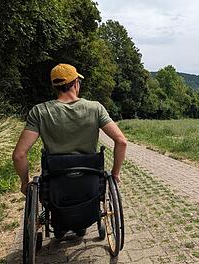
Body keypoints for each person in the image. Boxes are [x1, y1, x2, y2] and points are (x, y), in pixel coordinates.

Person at [12, 63, 127, 196]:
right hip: (90, 178)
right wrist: (115, 173)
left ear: (54, 86)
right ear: (76, 83)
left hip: (55, 181)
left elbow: (18, 155)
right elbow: (121, 141)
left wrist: (25, 182)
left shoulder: (39, 111)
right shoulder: (96, 108)